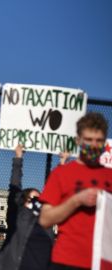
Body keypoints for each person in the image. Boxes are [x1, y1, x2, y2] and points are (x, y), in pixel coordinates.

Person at [39, 112, 112, 269]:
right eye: (88, 140)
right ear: (78, 140)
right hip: (67, 261)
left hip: (104, 263)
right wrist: (76, 200)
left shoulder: (110, 175)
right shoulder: (61, 173)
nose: (93, 145)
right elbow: (45, 219)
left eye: (99, 141)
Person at [0, 145, 54, 270]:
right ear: (23, 201)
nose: (37, 204)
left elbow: (57, 192)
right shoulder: (16, 215)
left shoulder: (47, 223)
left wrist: (63, 164)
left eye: (40, 201)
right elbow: (15, 186)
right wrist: (18, 157)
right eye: (33, 199)